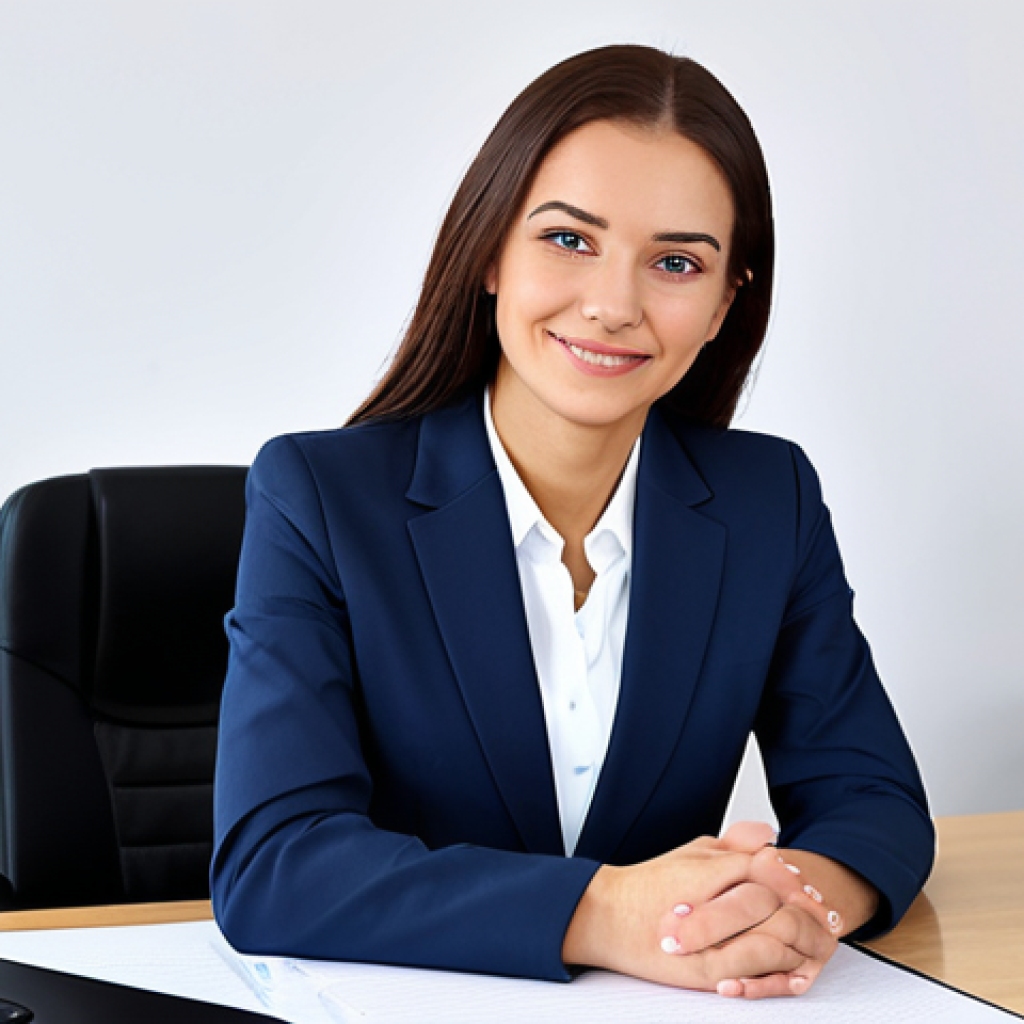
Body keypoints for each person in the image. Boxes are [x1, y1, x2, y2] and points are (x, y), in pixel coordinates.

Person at [211, 44, 934, 1000]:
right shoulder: (318, 495)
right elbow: (276, 865)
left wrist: (790, 903)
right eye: (568, 240)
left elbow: (874, 801)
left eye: (676, 262)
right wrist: (611, 914)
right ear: (488, 252)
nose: (613, 305)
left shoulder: (771, 500)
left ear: (725, 304)